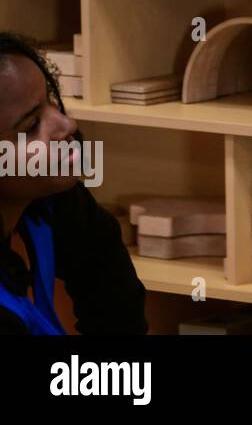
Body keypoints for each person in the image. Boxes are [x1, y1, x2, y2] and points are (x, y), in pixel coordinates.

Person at [0, 33, 147, 335]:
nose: (67, 125)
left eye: (51, 102)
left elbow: (118, 304)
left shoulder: (51, 199)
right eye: (31, 126)